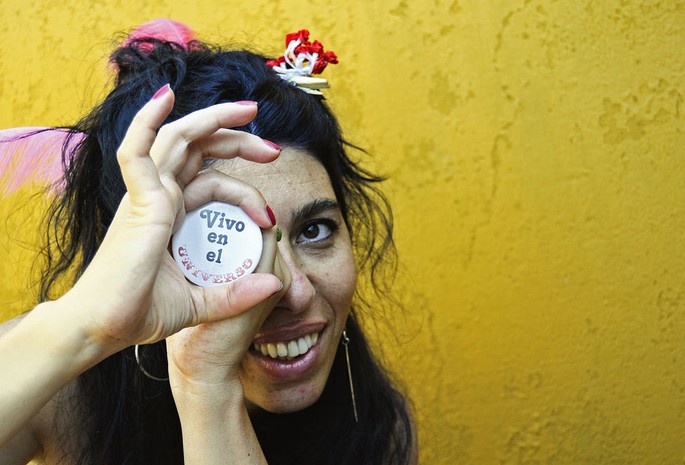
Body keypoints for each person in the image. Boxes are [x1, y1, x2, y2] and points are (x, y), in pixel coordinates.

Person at [0, 19, 415, 465]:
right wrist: (87, 323)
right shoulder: (59, 394)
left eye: (315, 230)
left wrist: (207, 387)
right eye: (235, 243)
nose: (294, 292)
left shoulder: (374, 423)